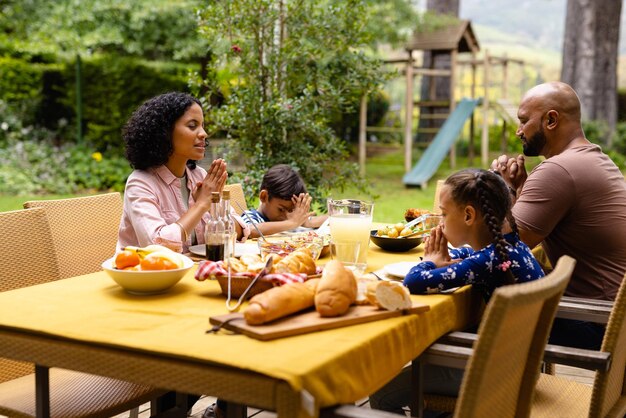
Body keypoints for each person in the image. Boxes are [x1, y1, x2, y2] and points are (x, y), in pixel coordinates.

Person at [370, 168, 545, 416]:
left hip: (498, 375)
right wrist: (448, 257)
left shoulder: (489, 260)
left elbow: (414, 281)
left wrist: (430, 260)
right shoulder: (509, 248)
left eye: (443, 214)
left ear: (468, 215)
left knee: (380, 393)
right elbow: (470, 255)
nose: (440, 221)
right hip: (521, 365)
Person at [491, 81, 626, 350]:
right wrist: (520, 189)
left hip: (595, 323)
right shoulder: (593, 158)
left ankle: (469, 389)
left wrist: (501, 188)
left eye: (524, 121)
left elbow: (504, 248)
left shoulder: (558, 171)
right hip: (615, 323)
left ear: (551, 120)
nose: (519, 131)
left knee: (482, 312)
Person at [117, 92, 250, 254]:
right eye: (192, 126)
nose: (204, 133)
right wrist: (201, 204)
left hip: (195, 270)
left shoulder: (199, 177)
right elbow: (157, 248)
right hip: (145, 275)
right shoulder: (140, 183)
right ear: (164, 132)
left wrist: (212, 208)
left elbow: (240, 230)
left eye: (203, 125)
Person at [242, 164, 328, 237]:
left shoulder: (291, 219)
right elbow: (250, 230)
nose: (286, 215)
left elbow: (329, 219)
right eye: (281, 209)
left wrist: (307, 223)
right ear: (264, 197)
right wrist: (292, 223)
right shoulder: (251, 216)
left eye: (291, 210)